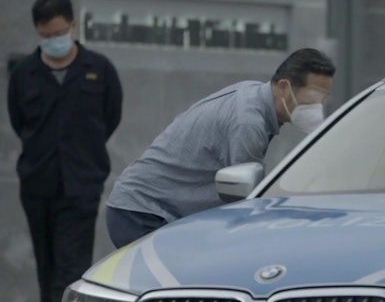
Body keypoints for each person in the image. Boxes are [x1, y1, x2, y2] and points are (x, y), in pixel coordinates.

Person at [105, 48, 335, 248]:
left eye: (324, 99)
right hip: (143, 214)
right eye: (314, 96)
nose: (319, 107)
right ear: (284, 87)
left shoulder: (253, 94)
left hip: (148, 211)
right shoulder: (248, 122)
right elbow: (248, 200)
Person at [7, 0, 123, 302]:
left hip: (82, 181)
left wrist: (83, 155)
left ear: (73, 26)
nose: (53, 39)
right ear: (38, 33)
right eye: (46, 34)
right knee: (47, 260)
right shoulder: (25, 73)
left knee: (72, 261)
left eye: (59, 32)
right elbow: (17, 121)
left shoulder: (99, 69)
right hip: (38, 182)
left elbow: (111, 116)